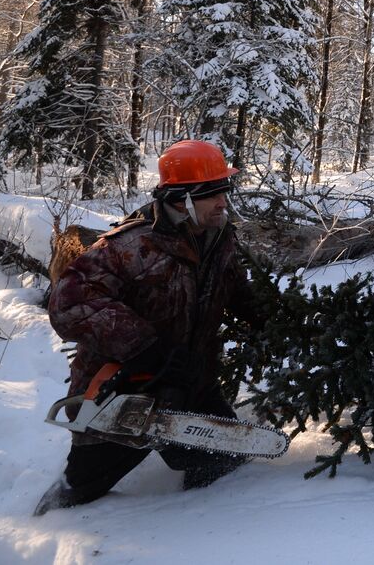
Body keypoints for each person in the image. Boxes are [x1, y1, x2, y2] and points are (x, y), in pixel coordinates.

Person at [34, 139, 261, 515]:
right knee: (81, 489)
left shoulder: (219, 237)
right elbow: (68, 304)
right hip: (124, 390)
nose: (223, 201)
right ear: (181, 198)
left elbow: (235, 289)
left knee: (224, 463)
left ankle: (202, 532)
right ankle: (47, 532)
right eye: (212, 193)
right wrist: (145, 349)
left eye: (225, 190)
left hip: (190, 381)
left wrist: (276, 320)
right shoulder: (129, 247)